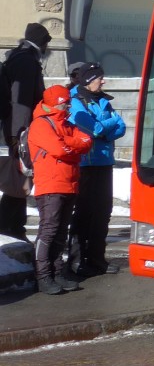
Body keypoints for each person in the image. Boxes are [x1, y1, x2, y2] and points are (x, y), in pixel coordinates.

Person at [29, 85, 93, 295]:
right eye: (65, 100)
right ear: (57, 101)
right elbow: (58, 149)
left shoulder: (66, 124)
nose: (68, 104)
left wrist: (68, 147)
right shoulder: (40, 124)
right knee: (49, 231)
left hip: (69, 183)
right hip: (50, 185)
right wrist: (72, 149)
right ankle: (43, 276)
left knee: (60, 232)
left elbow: (87, 141)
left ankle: (57, 273)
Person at [68, 62, 126, 276]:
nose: (103, 81)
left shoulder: (102, 99)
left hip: (104, 162)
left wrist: (103, 128)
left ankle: (96, 259)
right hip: (85, 164)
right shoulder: (74, 101)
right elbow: (93, 130)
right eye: (99, 78)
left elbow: (121, 127)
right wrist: (104, 126)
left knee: (103, 212)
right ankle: (75, 261)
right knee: (83, 213)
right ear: (87, 80)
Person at [0, 22, 52, 242]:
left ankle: (14, 228)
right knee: (18, 181)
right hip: (19, 131)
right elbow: (19, 101)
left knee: (20, 180)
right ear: (42, 42)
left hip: (16, 130)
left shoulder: (21, 58)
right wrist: (17, 135)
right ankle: (9, 228)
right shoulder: (27, 61)